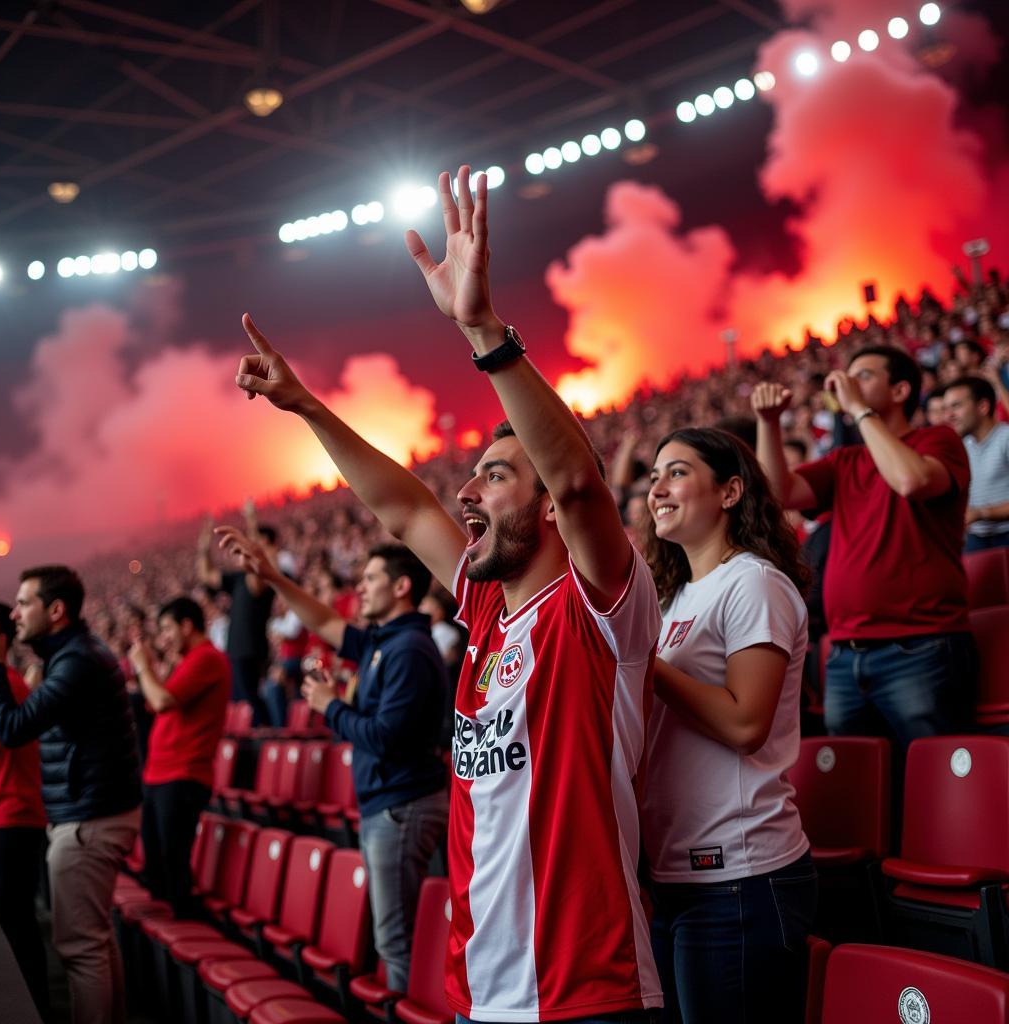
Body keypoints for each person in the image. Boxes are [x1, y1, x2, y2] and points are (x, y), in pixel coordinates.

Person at [229, 164, 662, 1022]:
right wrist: (308, 408)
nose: (467, 494)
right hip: (478, 989)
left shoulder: (601, 609)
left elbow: (579, 482)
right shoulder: (487, 613)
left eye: (495, 476)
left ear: (542, 505)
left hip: (584, 994)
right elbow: (402, 508)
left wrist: (481, 330)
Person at [216, 533, 448, 990]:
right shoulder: (388, 641)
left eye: (370, 578)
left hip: (401, 803)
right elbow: (323, 621)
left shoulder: (408, 651)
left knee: (394, 941)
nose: (359, 587)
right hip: (389, 802)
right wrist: (274, 577)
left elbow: (384, 738)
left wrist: (330, 706)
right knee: (391, 938)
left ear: (401, 587)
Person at [640, 428, 815, 1024]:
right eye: (653, 476)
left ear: (731, 491)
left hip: (740, 875)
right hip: (675, 872)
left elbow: (745, 723)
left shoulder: (754, 583)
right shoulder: (676, 598)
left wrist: (647, 665)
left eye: (677, 472)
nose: (656, 488)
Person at [752, 347, 976, 749]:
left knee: (931, 778)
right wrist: (769, 423)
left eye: (865, 376)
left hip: (920, 645)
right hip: (845, 654)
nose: (849, 384)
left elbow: (910, 480)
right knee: (859, 790)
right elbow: (776, 493)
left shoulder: (938, 439)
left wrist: (858, 408)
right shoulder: (845, 461)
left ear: (901, 390)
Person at [0, 565, 141, 1024]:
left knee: (80, 948)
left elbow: (10, 730)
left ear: (55, 611)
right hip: (92, 811)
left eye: (23, 603)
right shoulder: (73, 656)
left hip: (89, 816)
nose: (14, 614)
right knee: (94, 941)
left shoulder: (76, 661)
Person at [127, 596, 231, 919]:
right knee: (156, 867)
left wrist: (144, 667)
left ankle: (189, 937)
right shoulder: (187, 660)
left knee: (174, 868)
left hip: (183, 774)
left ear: (187, 625)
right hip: (160, 774)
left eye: (167, 629)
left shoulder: (208, 658)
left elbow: (161, 701)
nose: (164, 638)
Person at [0, 601, 49, 1018]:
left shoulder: (2, 682)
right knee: (13, 923)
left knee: (17, 926)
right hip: (4, 815)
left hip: (11, 816)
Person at [196, 510, 276, 726]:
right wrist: (204, 546)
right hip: (236, 649)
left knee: (253, 698)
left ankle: (267, 737)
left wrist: (251, 521)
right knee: (241, 699)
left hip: (252, 648)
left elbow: (256, 573)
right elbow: (207, 575)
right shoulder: (237, 578)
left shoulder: (267, 576)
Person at [943, 376, 1009, 550]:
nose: (948, 415)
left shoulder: (1006, 438)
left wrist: (981, 513)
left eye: (956, 406)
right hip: (975, 539)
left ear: (982, 406)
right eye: (946, 408)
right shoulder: (963, 445)